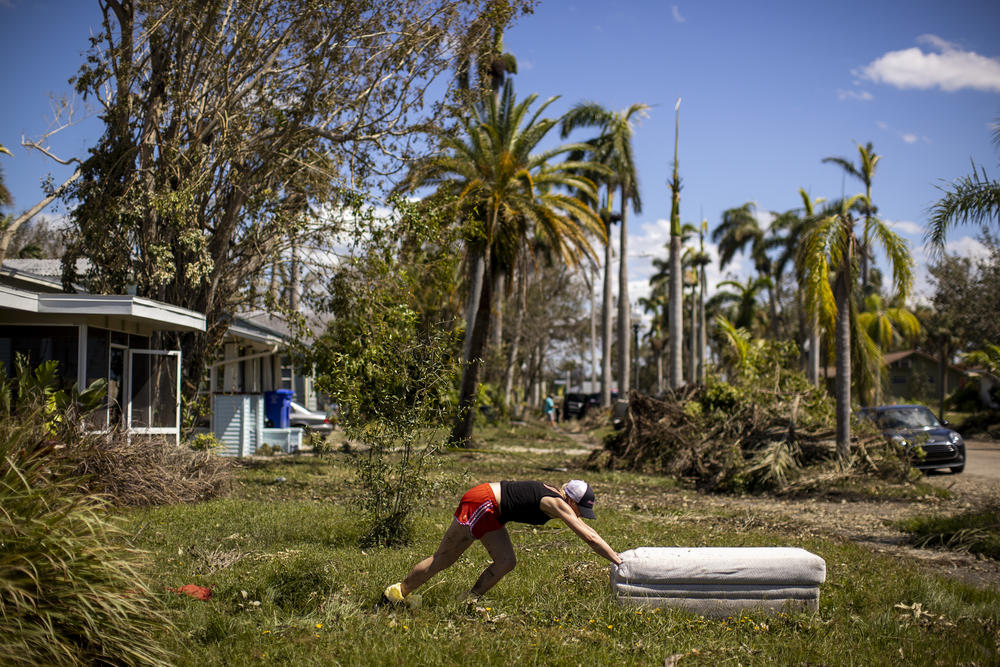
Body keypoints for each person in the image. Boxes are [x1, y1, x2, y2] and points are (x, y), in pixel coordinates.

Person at [382, 480, 621, 607]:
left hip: (494, 512)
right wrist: (619, 562)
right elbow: (587, 536)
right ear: (570, 499)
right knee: (444, 558)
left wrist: (617, 556)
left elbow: (588, 529)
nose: (580, 515)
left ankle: (467, 600)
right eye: (580, 509)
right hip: (482, 503)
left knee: (506, 561)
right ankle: (395, 595)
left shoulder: (560, 499)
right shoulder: (557, 503)